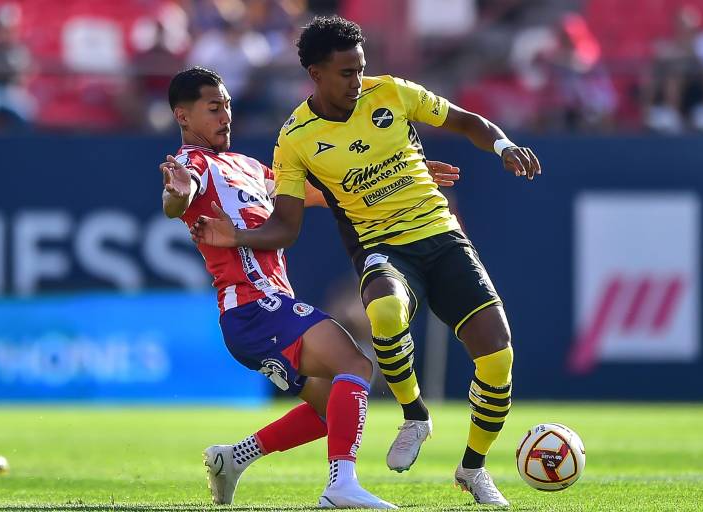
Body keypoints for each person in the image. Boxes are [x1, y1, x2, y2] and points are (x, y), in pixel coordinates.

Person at [189, 15, 541, 507]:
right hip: (381, 247)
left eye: (360, 68)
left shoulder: (391, 92)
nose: (357, 80)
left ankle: (473, 468)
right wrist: (238, 236)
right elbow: (286, 225)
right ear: (315, 74)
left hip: (442, 236)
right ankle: (414, 416)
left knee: (499, 356)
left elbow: (466, 122)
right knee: (383, 314)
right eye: (346, 73)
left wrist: (503, 145)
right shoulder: (296, 137)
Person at [161, 66, 460, 508]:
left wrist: (402, 177)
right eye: (213, 108)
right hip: (253, 308)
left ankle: (232, 459)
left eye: (227, 105)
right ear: (183, 117)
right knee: (355, 365)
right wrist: (178, 196)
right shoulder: (192, 165)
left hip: (265, 310)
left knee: (330, 408)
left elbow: (325, 193)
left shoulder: (248, 166)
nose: (225, 115)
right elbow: (176, 200)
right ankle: (341, 484)